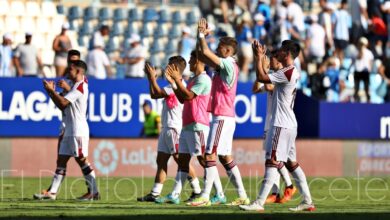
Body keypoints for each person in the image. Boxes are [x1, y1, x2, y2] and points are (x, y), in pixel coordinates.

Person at [240, 40, 314, 212]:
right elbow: (261, 85)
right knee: (292, 164)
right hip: (288, 124)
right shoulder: (290, 71)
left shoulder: (287, 72)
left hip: (281, 124)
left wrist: (259, 58)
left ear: (287, 54)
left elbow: (261, 78)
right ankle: (307, 201)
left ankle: (259, 202)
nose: (278, 53)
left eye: (281, 51)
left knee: (272, 161)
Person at [188, 18, 249, 207]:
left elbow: (205, 52)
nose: (217, 50)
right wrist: (201, 38)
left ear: (228, 51)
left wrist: (200, 35)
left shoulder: (229, 64)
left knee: (210, 155)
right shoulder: (225, 64)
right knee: (224, 157)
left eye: (220, 48)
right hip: (224, 116)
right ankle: (242, 195)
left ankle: (205, 195)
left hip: (222, 117)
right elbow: (202, 54)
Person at [137, 56, 201, 202]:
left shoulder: (178, 86)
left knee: (180, 160)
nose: (167, 68)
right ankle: (154, 193)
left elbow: (156, 94)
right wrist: (150, 79)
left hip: (174, 128)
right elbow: (154, 94)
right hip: (167, 128)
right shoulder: (172, 85)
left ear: (176, 69)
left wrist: (152, 78)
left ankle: (197, 190)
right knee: (161, 160)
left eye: (170, 66)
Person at [34, 60, 99, 200]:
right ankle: (52, 193)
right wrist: (51, 92)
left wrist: (52, 91)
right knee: (61, 161)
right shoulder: (76, 86)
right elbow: (61, 103)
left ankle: (94, 191)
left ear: (79, 71)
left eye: (70, 69)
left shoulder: (81, 86)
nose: (67, 71)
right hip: (69, 129)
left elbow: (63, 103)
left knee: (81, 160)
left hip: (78, 130)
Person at [155, 50, 211, 205]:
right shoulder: (193, 79)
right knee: (183, 161)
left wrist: (176, 80)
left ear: (199, 61)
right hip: (187, 125)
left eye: (192, 59)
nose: (190, 62)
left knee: (204, 159)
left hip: (197, 123)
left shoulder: (204, 79)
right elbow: (181, 98)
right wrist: (174, 82)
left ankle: (212, 192)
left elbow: (187, 96)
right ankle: (175, 194)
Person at [252, 50, 296, 204]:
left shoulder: (279, 78)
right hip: (271, 122)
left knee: (275, 159)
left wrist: (262, 69)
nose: (270, 64)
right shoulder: (273, 77)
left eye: (272, 61)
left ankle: (289, 186)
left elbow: (268, 86)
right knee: (274, 159)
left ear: (278, 62)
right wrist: (261, 70)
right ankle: (277, 192)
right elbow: (255, 89)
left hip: (279, 123)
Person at [353, 37, 374, 102]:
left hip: (364, 72)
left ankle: (368, 100)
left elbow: (370, 62)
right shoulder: (356, 52)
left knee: (366, 87)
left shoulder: (368, 52)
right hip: (358, 71)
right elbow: (357, 59)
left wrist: (369, 69)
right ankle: (356, 99)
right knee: (357, 87)